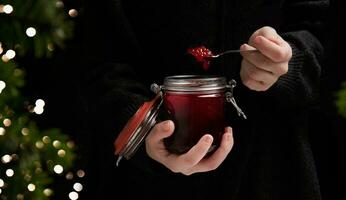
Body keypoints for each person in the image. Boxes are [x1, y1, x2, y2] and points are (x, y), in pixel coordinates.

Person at [80, 0, 330, 199]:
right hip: (145, 180)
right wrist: (143, 130)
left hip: (272, 168)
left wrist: (289, 59)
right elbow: (98, 55)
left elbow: (327, 34)